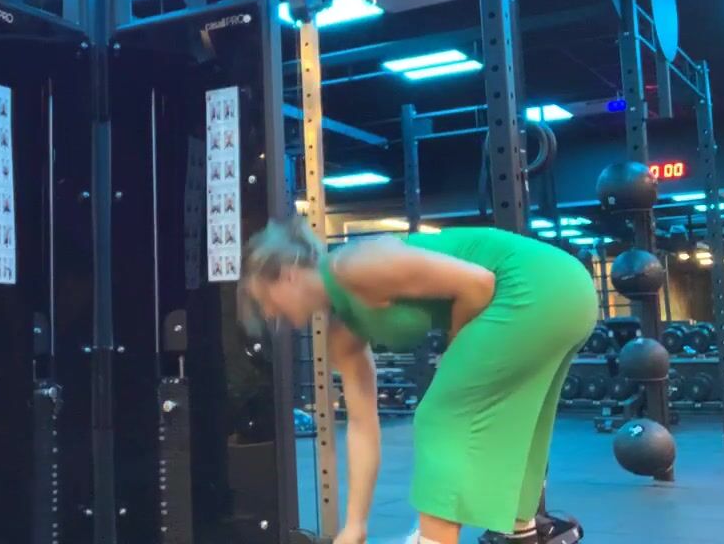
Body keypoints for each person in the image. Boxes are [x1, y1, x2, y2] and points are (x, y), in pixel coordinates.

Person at [241, 219, 596, 544]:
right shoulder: (343, 332)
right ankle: (521, 532)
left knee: (439, 417)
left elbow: (479, 284)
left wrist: (455, 352)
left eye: (265, 300)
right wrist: (355, 525)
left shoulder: (354, 265)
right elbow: (363, 426)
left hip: (537, 283)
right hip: (567, 293)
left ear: (288, 275)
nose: (270, 313)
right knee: (515, 422)